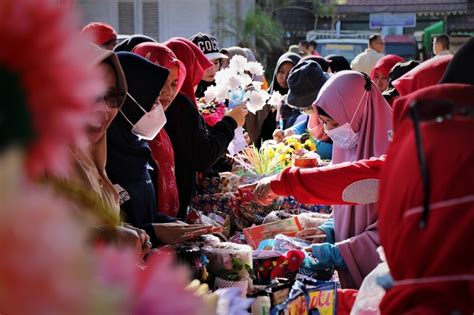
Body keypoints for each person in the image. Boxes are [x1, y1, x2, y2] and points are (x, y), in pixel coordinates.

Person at [247, 71, 393, 289]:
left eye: (333, 123)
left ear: (357, 113)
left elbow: (391, 231)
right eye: (324, 123)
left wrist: (338, 252)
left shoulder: (393, 152)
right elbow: (345, 202)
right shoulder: (349, 146)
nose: (329, 131)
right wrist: (329, 230)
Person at [162, 38, 248, 219]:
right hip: (172, 199)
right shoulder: (179, 105)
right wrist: (230, 123)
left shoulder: (172, 102)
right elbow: (201, 154)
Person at [273, 60, 333, 159]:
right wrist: (290, 132)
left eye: (307, 106)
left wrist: (303, 141)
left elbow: (338, 150)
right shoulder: (316, 110)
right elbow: (306, 124)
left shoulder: (336, 110)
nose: (305, 110)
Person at [189, 32, 228, 98]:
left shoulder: (227, 90)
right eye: (205, 63)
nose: (212, 68)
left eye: (216, 63)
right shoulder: (184, 95)